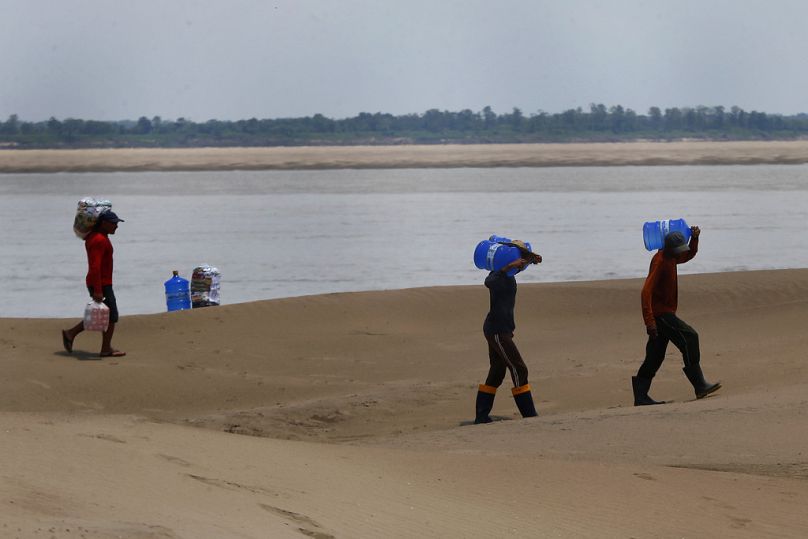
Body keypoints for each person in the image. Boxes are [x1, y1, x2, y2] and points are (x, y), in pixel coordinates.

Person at [632, 226, 720, 405]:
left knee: (655, 356)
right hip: (660, 315)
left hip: (664, 313)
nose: (680, 254)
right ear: (670, 248)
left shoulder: (671, 257)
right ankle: (699, 384)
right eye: (678, 250)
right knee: (690, 337)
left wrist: (694, 239)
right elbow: (645, 292)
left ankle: (641, 397)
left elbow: (688, 256)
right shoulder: (660, 260)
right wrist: (650, 322)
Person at [474, 240, 542, 424]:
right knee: (519, 368)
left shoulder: (510, 273)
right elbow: (488, 282)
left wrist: (531, 258)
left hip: (502, 330)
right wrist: (507, 267)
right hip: (496, 330)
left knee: (497, 371)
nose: (518, 263)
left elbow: (520, 259)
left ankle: (481, 416)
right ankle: (529, 415)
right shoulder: (497, 276)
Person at [61, 210, 126, 358]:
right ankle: (105, 348)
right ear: (104, 223)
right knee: (112, 316)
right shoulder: (98, 240)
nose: (116, 226)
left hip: (101, 283)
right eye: (114, 223)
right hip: (101, 283)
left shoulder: (98, 237)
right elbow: (95, 267)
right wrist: (98, 290)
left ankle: (71, 334)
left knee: (102, 314)